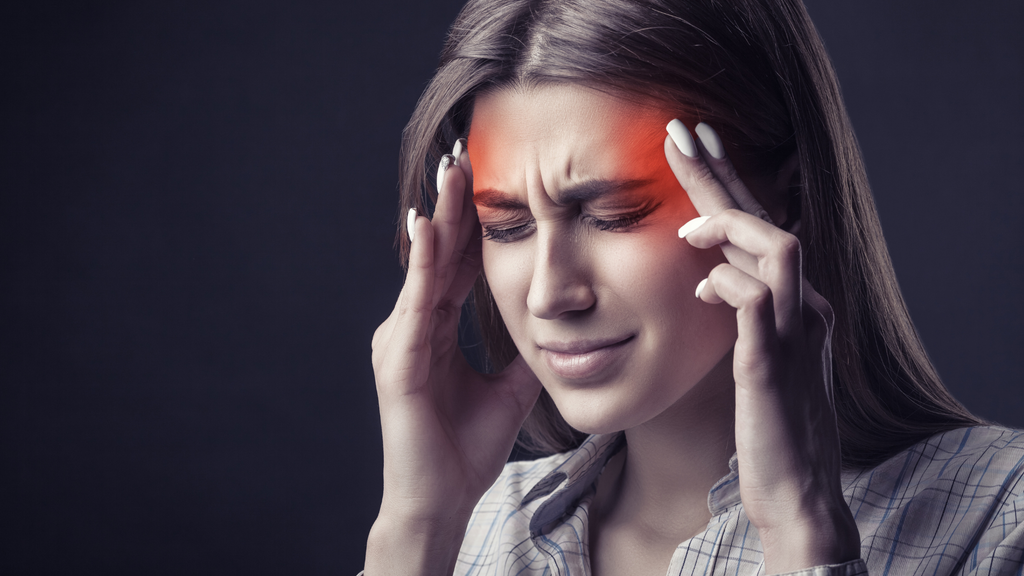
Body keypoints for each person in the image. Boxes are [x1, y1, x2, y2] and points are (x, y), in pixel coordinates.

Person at [366, 0, 1024, 574]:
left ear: (786, 194)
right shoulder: (473, 536)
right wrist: (418, 528)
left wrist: (803, 528)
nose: (547, 295)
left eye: (616, 214)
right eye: (506, 226)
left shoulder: (1002, 518)